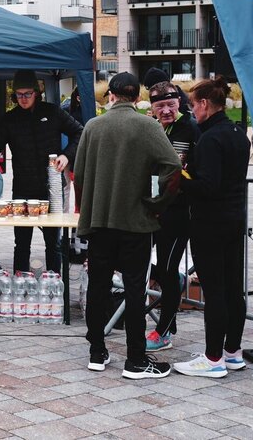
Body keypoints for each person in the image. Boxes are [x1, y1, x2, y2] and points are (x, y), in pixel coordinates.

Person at [73, 71, 182, 379]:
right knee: (135, 290)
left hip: (99, 221)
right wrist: (156, 202)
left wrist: (89, 208)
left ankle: (97, 351)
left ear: (111, 95)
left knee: (98, 286)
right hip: (136, 222)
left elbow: (79, 175)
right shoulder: (147, 125)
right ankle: (135, 358)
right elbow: (172, 166)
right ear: (138, 98)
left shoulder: (93, 126)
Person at [173, 76, 251, 378]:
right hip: (234, 220)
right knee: (233, 288)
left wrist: (180, 177)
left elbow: (208, 186)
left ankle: (213, 358)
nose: (193, 112)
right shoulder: (237, 134)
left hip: (210, 223)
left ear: (205, 104)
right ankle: (233, 352)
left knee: (215, 290)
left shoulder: (209, 139)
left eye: (194, 106)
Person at [0, 70, 83, 273]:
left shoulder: (53, 112)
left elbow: (80, 132)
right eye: (18, 95)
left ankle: (54, 283)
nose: (23, 99)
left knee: (54, 243)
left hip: (52, 190)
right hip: (23, 189)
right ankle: (21, 285)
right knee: (21, 243)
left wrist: (67, 155)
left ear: (37, 92)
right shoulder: (10, 119)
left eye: (27, 94)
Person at [143, 81, 200, 352]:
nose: (165, 110)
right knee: (139, 263)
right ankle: (175, 283)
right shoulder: (150, 127)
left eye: (170, 104)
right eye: (159, 105)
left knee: (166, 269)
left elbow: (195, 169)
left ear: (179, 102)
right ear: (151, 107)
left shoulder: (191, 128)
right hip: (152, 208)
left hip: (179, 212)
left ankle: (163, 332)